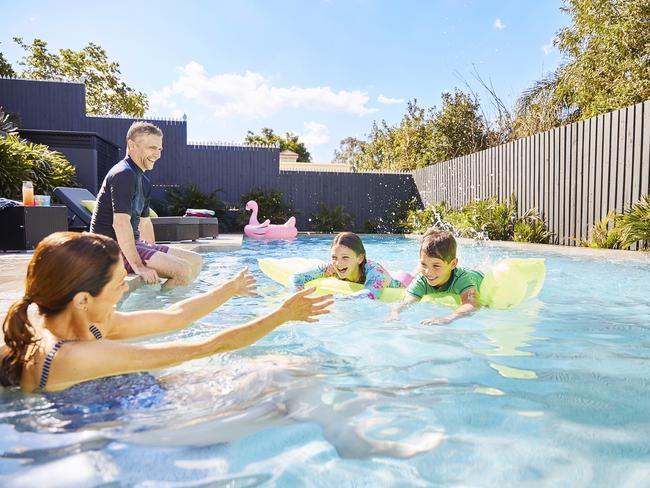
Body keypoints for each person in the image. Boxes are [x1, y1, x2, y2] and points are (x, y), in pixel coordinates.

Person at [0, 232, 333, 393]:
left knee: (287, 367)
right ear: (83, 298)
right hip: (122, 427)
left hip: (129, 395)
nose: (125, 289)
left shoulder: (72, 318)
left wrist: (227, 290)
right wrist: (281, 315)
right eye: (118, 284)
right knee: (284, 379)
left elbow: (174, 316)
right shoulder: (69, 355)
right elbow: (205, 347)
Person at [90, 121, 201, 288]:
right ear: (132, 145)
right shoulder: (124, 174)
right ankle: (165, 311)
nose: (158, 154)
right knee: (183, 270)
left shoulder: (144, 180)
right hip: (109, 249)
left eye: (159, 149)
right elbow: (120, 223)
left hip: (133, 244)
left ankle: (160, 299)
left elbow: (145, 223)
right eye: (152, 148)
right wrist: (139, 266)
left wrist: (154, 251)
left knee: (195, 260)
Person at [389, 229, 483, 325]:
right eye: (423, 264)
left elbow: (471, 304)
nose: (428, 272)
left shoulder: (461, 278)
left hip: (477, 276)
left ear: (453, 263)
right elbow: (406, 302)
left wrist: (448, 318)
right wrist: (395, 313)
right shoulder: (422, 280)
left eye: (436, 266)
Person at [291, 232, 407, 300]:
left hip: (398, 290)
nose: (338, 263)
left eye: (345, 257)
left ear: (360, 258)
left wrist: (335, 298)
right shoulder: (332, 268)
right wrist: (298, 293)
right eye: (334, 257)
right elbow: (297, 277)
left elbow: (370, 294)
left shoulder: (375, 272)